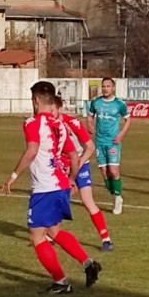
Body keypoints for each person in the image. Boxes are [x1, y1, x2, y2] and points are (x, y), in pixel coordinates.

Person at [2, 81, 102, 294]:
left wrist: (13, 176)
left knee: (37, 237)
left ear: (36, 101)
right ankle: (89, 264)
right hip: (61, 185)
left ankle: (61, 282)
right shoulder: (61, 126)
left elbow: (32, 150)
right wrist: (72, 179)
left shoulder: (32, 123)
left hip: (45, 188)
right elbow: (74, 156)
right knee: (54, 231)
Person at [52, 94, 113, 251]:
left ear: (60, 108)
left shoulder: (72, 123)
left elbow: (90, 148)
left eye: (53, 110)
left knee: (87, 201)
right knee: (57, 199)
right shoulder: (47, 125)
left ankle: (106, 239)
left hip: (80, 163)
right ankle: (51, 234)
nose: (50, 114)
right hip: (62, 167)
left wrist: (75, 167)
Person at [86, 77, 131, 215]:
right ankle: (115, 193)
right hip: (100, 141)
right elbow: (89, 115)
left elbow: (128, 120)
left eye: (108, 86)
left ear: (113, 88)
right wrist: (90, 125)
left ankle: (117, 199)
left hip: (113, 142)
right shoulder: (96, 102)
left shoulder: (119, 104)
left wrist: (121, 135)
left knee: (114, 170)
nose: (105, 89)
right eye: (103, 86)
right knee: (105, 173)